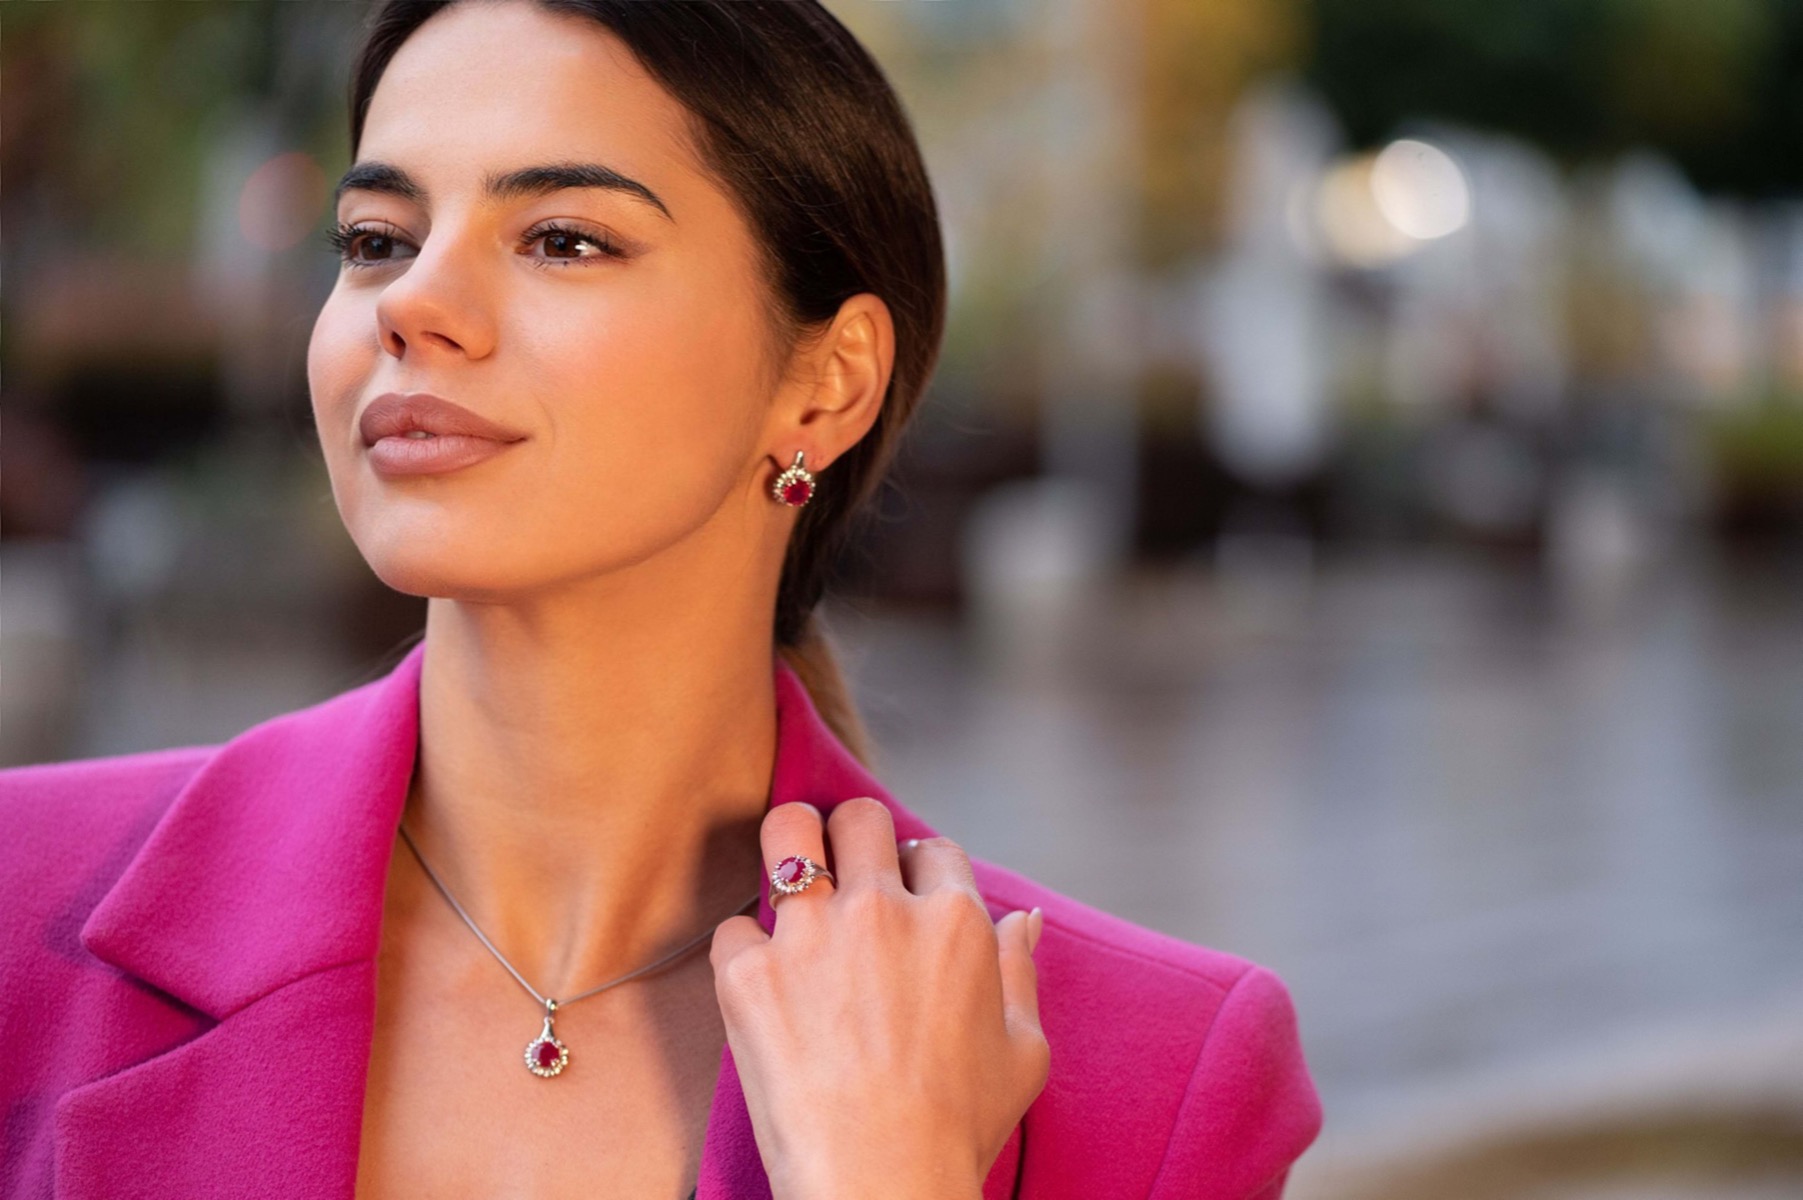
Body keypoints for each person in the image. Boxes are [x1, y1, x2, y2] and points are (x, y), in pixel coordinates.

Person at [0, 2, 1324, 1197]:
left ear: (827, 383)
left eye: (563, 239)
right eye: (375, 238)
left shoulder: (1158, 1075)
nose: (415, 303)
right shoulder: (22, 907)